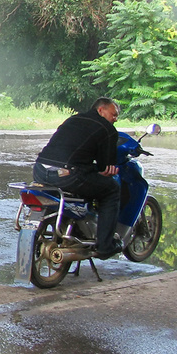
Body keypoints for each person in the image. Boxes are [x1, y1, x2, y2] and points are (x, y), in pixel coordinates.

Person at [32, 97, 123, 259]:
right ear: (100, 110)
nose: (115, 119)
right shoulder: (107, 129)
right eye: (113, 114)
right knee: (111, 189)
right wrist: (105, 169)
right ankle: (105, 246)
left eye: (117, 116)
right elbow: (105, 167)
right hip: (67, 175)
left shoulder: (74, 119)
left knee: (84, 177)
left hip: (40, 169)